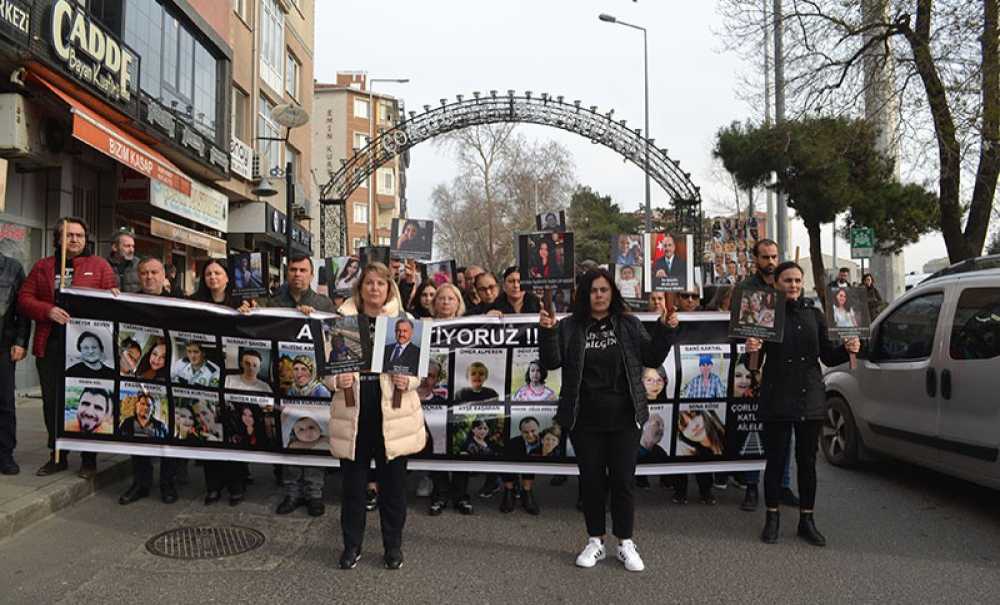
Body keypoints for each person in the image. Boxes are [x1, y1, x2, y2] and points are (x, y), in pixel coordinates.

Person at [539, 268, 679, 572]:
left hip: (625, 417)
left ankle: (625, 542)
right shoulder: (570, 327)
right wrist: (548, 331)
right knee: (591, 482)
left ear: (612, 293)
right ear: (583, 295)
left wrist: (666, 329)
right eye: (592, 290)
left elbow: (652, 357)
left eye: (604, 289)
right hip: (584, 419)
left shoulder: (628, 324)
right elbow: (551, 363)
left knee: (623, 482)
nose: (599, 295)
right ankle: (595, 541)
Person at [747, 261, 861, 546]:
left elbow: (828, 356)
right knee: (775, 461)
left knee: (807, 462)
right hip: (777, 395)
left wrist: (849, 350)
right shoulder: (765, 314)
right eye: (788, 280)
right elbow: (753, 365)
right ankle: (772, 517)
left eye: (797, 280)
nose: (794, 285)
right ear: (776, 283)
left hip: (810, 397)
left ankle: (806, 520)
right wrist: (752, 350)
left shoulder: (815, 314)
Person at [330, 261, 426, 570]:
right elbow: (326, 370)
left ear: (389, 288)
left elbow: (418, 374)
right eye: (369, 283)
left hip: (393, 417)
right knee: (353, 487)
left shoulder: (405, 321)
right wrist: (336, 380)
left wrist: (407, 380)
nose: (374, 289)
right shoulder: (342, 321)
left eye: (380, 284)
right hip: (354, 414)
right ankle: (351, 545)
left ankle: (393, 546)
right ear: (360, 288)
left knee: (394, 488)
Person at [18, 217, 116, 478]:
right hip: (51, 346)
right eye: (69, 235)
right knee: (53, 402)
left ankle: (89, 458)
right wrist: (47, 310)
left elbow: (112, 301)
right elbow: (24, 299)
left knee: (89, 398)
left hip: (87, 350)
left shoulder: (100, 266)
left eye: (80, 235)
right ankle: (57, 454)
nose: (75, 240)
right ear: (58, 239)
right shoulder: (43, 267)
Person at [253, 255, 334, 518]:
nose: (297, 274)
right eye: (293, 270)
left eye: (303, 270)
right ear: (287, 273)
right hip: (285, 387)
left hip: (316, 387)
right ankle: (291, 493)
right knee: (290, 437)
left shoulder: (323, 304)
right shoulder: (273, 303)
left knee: (313, 438)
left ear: (311, 274)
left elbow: (334, 339)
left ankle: (314, 494)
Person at [118, 257, 180, 506]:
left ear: (164, 275)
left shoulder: (180, 301)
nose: (149, 277)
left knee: (167, 430)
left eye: (154, 272)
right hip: (142, 381)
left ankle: (168, 483)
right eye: (144, 273)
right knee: (138, 431)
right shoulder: (128, 301)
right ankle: (140, 483)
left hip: (170, 379)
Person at [190, 259, 250, 505]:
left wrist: (251, 312)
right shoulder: (194, 302)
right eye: (208, 273)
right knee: (210, 428)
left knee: (233, 428)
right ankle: (212, 485)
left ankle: (237, 485)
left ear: (227, 277)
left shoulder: (241, 303)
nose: (213, 277)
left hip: (232, 374)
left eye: (218, 273)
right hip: (205, 375)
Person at [0, 252, 28, 475]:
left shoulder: (12, 267)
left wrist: (21, 342)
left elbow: (23, 310)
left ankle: (5, 455)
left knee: (5, 403)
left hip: (3, 345)